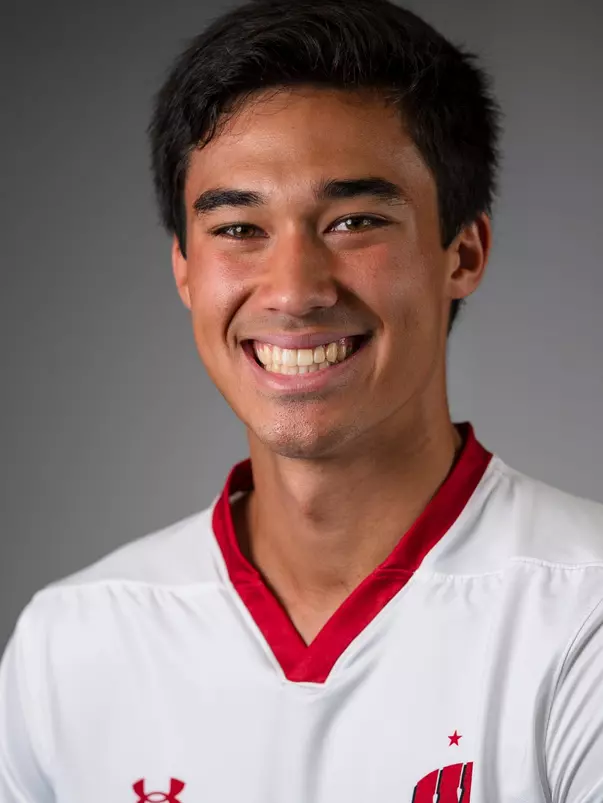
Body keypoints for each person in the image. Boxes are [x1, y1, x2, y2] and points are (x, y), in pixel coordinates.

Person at [1, 0, 602, 800]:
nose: (293, 290)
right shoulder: (72, 640)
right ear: (184, 269)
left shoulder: (580, 614)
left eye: (353, 221)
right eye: (239, 228)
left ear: (462, 252)